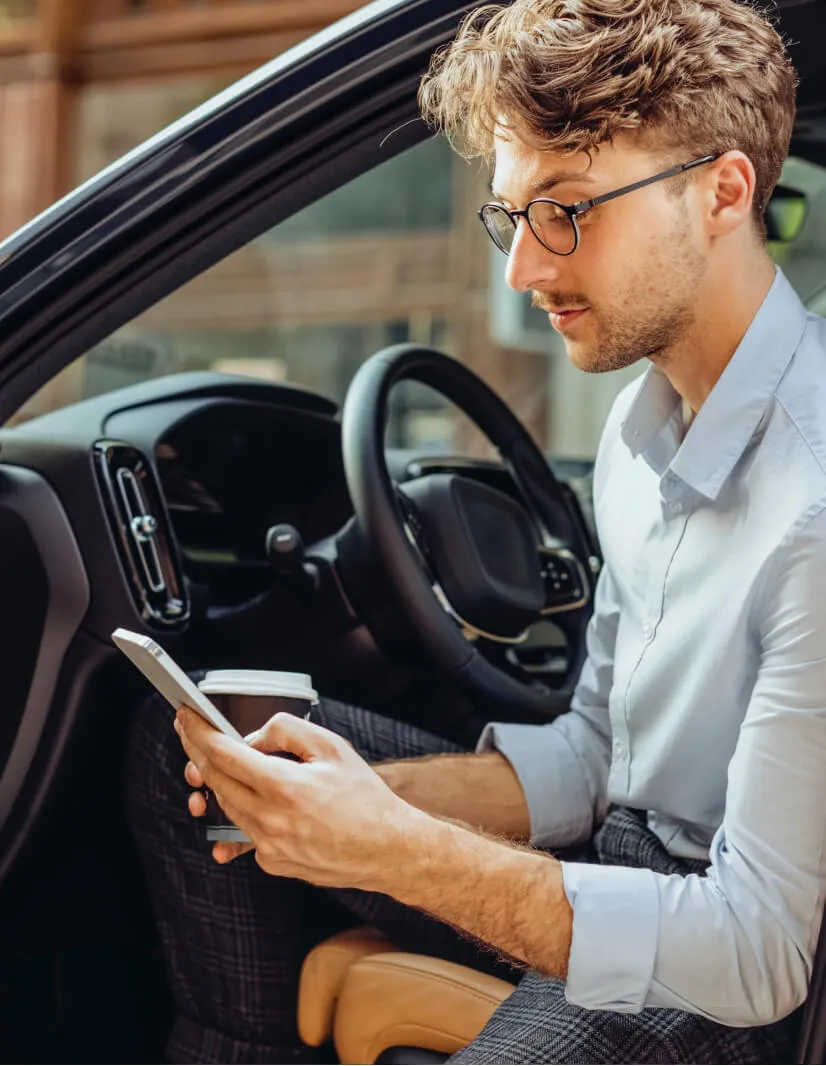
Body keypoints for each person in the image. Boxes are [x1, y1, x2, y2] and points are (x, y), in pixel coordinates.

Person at [127, 0, 826, 1062]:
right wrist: (354, 802)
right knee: (204, 775)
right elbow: (600, 758)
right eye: (512, 216)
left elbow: (759, 951)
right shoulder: (641, 438)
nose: (525, 271)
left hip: (725, 966)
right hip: (630, 858)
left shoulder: (811, 506)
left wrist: (398, 848)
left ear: (722, 192)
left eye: (567, 210)